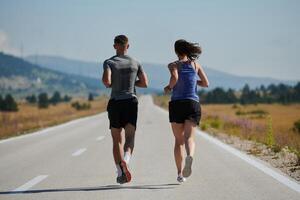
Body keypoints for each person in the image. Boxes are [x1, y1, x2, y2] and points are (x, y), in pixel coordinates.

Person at [102, 35, 148, 184]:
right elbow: (145, 83)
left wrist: (115, 82)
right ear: (128, 46)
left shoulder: (109, 62)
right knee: (130, 137)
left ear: (115, 46)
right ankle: (126, 160)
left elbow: (106, 81)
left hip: (116, 102)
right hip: (131, 101)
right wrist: (131, 82)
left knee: (117, 140)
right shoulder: (136, 62)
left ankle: (120, 170)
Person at [164, 39, 209, 183]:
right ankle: (190, 156)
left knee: (178, 141)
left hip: (177, 103)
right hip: (192, 103)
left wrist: (169, 87)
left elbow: (175, 77)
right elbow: (206, 83)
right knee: (189, 138)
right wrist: (193, 81)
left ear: (176, 51)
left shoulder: (173, 65)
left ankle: (179, 173)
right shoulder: (195, 65)